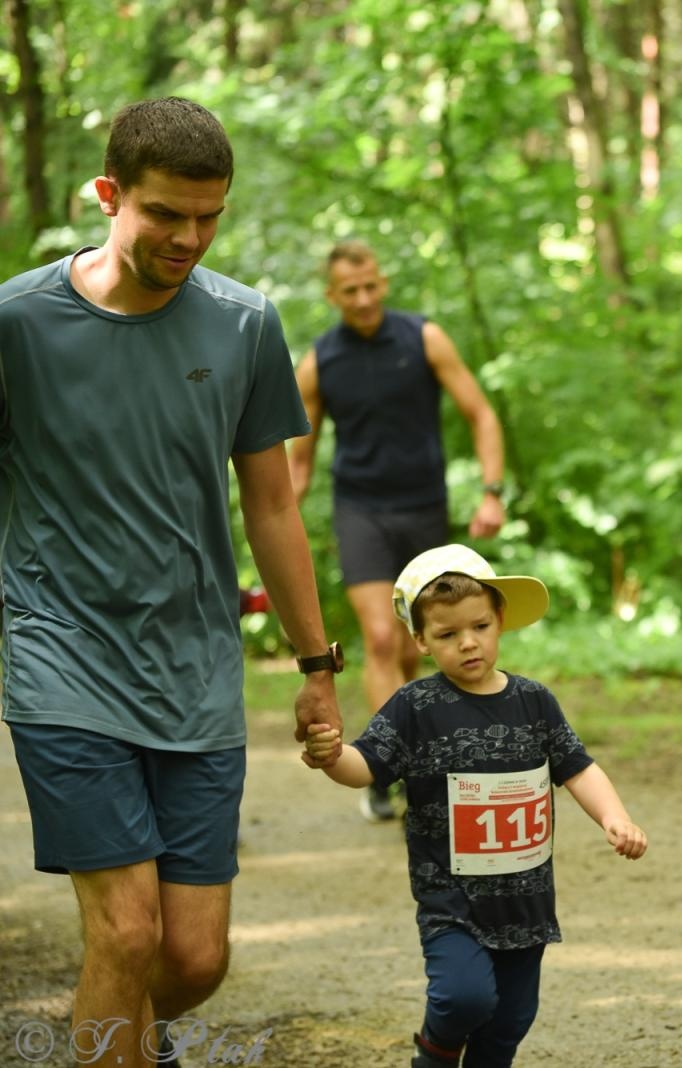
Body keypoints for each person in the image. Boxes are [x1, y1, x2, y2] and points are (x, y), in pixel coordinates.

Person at [0, 97, 344, 1068]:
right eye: (165, 215)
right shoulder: (18, 324)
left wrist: (315, 663)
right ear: (109, 196)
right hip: (59, 656)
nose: (189, 237)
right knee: (127, 933)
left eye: (209, 217)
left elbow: (272, 508)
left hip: (195, 665)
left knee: (192, 958)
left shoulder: (243, 325)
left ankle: (111, 1043)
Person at [302, 544, 648, 1068]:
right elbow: (365, 767)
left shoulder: (534, 701)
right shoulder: (415, 707)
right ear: (419, 640)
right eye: (447, 635)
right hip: (452, 901)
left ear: (500, 619)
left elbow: (577, 767)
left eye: (480, 627)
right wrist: (331, 756)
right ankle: (434, 1052)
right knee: (464, 998)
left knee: (509, 1022)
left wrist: (614, 816)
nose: (468, 643)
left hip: (525, 901)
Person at [289, 238, 507, 822]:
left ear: (382, 283)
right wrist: (277, 526)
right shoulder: (319, 361)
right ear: (332, 295)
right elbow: (300, 460)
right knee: (383, 639)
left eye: (370, 286)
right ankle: (396, 766)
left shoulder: (424, 337)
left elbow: (481, 412)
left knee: (420, 643)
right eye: (349, 291)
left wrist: (492, 490)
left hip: (424, 510)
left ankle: (401, 739)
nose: (362, 299)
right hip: (360, 510)